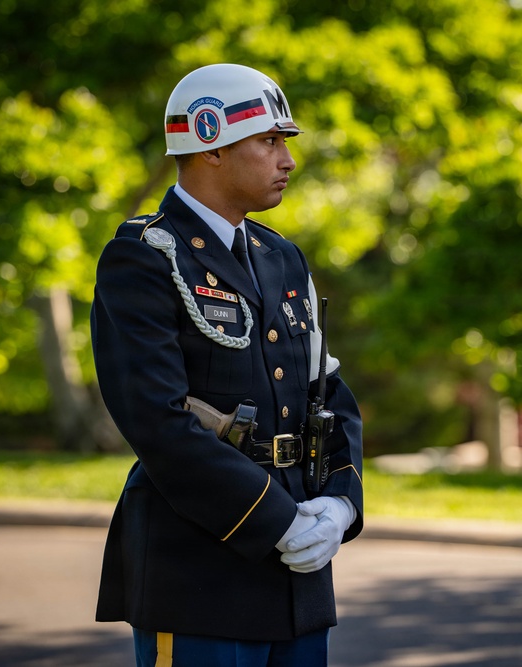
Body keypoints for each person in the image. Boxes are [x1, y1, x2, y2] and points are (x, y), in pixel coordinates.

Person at [90, 63, 364, 667]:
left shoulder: (281, 256)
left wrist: (341, 503)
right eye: (269, 141)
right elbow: (158, 424)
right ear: (209, 143)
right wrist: (276, 522)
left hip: (298, 579)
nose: (287, 160)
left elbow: (328, 393)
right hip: (200, 573)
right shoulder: (142, 258)